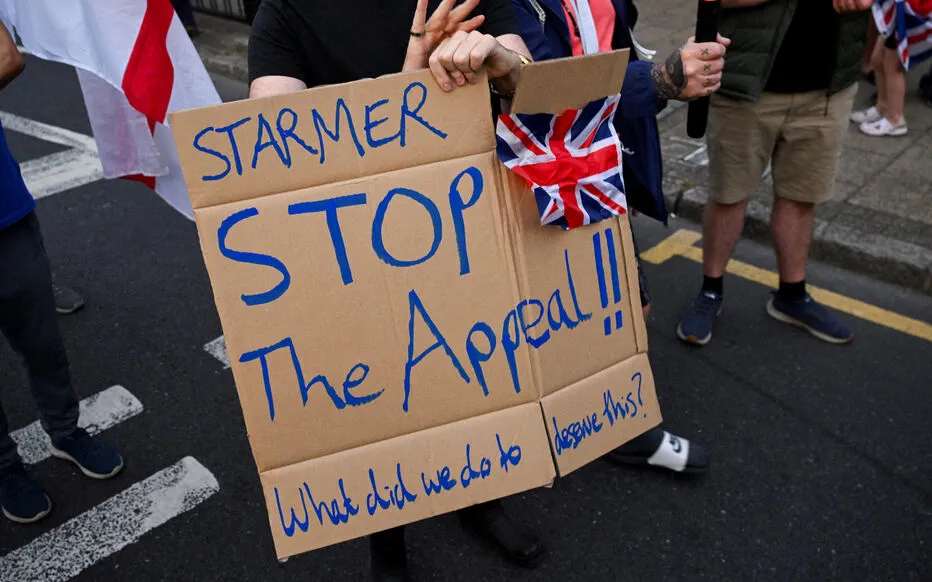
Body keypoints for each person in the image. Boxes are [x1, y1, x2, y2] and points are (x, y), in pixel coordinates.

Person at [248, 1, 540, 580]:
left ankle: (480, 494)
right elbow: (274, 136)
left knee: (469, 361)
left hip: (462, 219)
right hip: (355, 243)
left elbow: (531, 76)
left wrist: (503, 61)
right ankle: (387, 531)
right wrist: (403, 88)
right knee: (379, 383)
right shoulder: (284, 11)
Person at [509, 0, 723, 474]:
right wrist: (662, 77)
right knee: (547, 312)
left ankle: (615, 422)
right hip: (535, 170)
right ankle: (568, 424)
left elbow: (614, 38)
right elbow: (538, 84)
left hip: (600, 155)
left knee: (622, 304)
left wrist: (660, 72)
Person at [676, 0, 872, 347]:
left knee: (800, 197)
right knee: (729, 195)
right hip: (745, 86)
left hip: (828, 85)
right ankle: (710, 290)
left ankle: (792, 296)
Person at [0, 22, 124, 524]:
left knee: (43, 343)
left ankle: (66, 432)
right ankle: (5, 468)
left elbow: (7, 57)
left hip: (6, 214)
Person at [851, 0, 932, 135]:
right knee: (880, 59)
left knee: (891, 65)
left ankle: (895, 119)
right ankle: (882, 106)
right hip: (899, 12)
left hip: (908, 13)